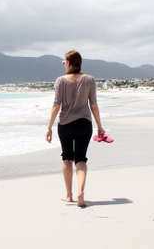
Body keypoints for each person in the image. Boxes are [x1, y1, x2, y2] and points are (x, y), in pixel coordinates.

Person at [45, 50, 105, 208]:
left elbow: (56, 105)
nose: (64, 64)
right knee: (81, 159)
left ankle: (69, 195)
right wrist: (99, 126)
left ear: (70, 63)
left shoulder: (60, 81)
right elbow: (93, 105)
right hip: (84, 124)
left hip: (65, 124)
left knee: (67, 158)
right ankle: (80, 192)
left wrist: (49, 127)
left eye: (65, 62)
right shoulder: (90, 80)